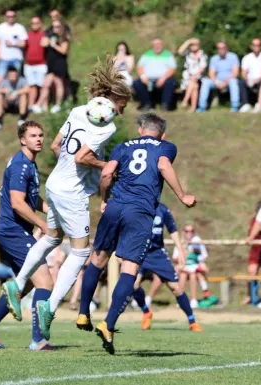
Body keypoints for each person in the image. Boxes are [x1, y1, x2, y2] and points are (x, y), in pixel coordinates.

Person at [1, 56, 132, 341]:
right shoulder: (106, 127)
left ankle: (18, 282)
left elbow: (56, 144)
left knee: (50, 238)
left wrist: (76, 165)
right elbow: (82, 156)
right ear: (115, 98)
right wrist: (105, 165)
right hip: (71, 193)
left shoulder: (76, 110)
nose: (124, 109)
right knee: (81, 252)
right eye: (124, 103)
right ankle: (50, 307)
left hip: (55, 184)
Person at [77, 113, 196, 354]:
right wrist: (183, 196)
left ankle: (82, 313)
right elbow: (163, 165)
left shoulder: (122, 146)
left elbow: (107, 173)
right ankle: (108, 324)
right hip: (139, 212)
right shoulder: (166, 147)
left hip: (115, 207)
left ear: (140, 130)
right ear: (162, 133)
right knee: (129, 268)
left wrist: (105, 199)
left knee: (97, 261)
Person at [0, 121, 54, 352]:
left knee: (27, 283)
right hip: (13, 231)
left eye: (41, 135)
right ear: (23, 140)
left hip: (15, 231)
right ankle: (38, 340)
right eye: (33, 135)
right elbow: (18, 204)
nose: (39, 139)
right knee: (45, 281)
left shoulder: (29, 164)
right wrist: (42, 223)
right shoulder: (21, 165)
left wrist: (52, 211)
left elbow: (31, 199)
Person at [132, 203, 203, 332]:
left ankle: (192, 321)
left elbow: (173, 230)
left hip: (158, 254)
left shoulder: (163, 209)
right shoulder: (137, 205)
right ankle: (146, 312)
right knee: (133, 285)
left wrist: (181, 251)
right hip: (140, 252)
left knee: (176, 288)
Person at [34, 20, 70, 114]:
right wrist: (48, 39)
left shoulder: (64, 38)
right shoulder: (50, 36)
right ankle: (39, 105)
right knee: (46, 85)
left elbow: (63, 51)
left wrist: (54, 45)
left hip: (59, 63)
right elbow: (43, 43)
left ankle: (57, 104)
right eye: (53, 27)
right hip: (51, 63)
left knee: (58, 83)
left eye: (57, 26)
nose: (55, 28)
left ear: (61, 27)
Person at [133, 38, 178, 111]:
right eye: (155, 44)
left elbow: (172, 69)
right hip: (148, 80)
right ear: (152, 45)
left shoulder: (168, 55)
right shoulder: (146, 54)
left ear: (162, 45)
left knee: (171, 83)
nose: (157, 46)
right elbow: (139, 67)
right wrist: (143, 76)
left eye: (159, 44)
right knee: (137, 83)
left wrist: (164, 78)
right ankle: (146, 104)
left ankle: (165, 105)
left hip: (164, 79)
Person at [174, 224, 212, 308]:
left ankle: (193, 300)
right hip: (184, 267)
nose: (189, 233)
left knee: (193, 275)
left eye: (191, 231)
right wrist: (183, 255)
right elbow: (175, 257)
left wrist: (201, 262)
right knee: (183, 275)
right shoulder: (180, 241)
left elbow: (204, 256)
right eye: (187, 231)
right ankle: (180, 300)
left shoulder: (197, 241)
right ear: (183, 232)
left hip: (195, 267)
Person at [198, 41, 240, 112]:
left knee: (234, 82)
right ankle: (202, 106)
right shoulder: (214, 58)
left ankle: (235, 106)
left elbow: (235, 73)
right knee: (206, 82)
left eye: (223, 48)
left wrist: (225, 82)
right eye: (219, 48)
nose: (221, 50)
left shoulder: (233, 57)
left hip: (229, 80)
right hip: (217, 81)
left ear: (227, 48)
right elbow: (211, 74)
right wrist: (217, 82)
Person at [241, 200, 261, 305]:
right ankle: (249, 295)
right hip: (256, 250)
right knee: (251, 272)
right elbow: (252, 232)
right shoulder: (254, 220)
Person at [0, 66, 30, 131]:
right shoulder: (4, 81)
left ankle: (22, 118)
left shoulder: (22, 80)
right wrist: (3, 90)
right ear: (8, 75)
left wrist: (16, 93)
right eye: (11, 75)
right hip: (6, 104)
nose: (13, 77)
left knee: (23, 95)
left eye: (15, 75)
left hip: (18, 104)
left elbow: (27, 89)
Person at [0, 9, 27, 78]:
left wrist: (13, 44)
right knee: (0, 79)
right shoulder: (0, 27)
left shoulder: (20, 28)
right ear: (5, 17)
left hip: (16, 58)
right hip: (3, 59)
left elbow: (23, 44)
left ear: (15, 17)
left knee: (15, 79)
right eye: (8, 16)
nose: (10, 18)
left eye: (12, 16)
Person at [177, 38, 207, 112]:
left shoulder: (202, 54)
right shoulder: (188, 53)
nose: (193, 46)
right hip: (188, 76)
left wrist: (195, 75)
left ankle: (185, 100)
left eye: (195, 45)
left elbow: (202, 68)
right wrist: (188, 41)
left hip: (198, 76)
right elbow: (179, 51)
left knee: (194, 81)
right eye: (192, 45)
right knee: (194, 86)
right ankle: (193, 107)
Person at [25, 17, 48, 112]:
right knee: (32, 86)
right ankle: (31, 105)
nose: (35, 25)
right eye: (33, 23)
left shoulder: (45, 34)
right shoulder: (27, 35)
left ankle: (44, 106)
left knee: (43, 86)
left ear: (40, 23)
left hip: (41, 64)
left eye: (37, 23)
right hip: (29, 65)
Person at [239, 38, 261, 112]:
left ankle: (259, 104)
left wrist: (259, 79)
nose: (256, 47)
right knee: (241, 82)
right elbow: (244, 72)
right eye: (254, 45)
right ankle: (245, 104)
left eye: (258, 45)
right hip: (249, 80)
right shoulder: (247, 58)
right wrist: (246, 79)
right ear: (251, 46)